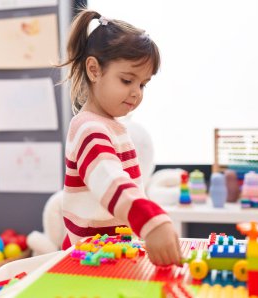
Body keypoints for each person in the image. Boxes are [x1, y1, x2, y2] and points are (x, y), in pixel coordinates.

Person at [58, 9, 181, 266]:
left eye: (143, 84)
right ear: (94, 70)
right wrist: (150, 220)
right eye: (127, 80)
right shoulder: (88, 129)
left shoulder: (111, 125)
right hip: (88, 260)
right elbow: (110, 180)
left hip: (109, 254)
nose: (136, 93)